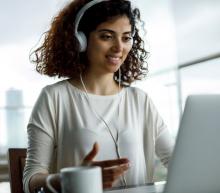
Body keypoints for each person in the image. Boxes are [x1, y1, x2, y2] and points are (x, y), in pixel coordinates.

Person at [23, 0, 174, 193]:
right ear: (81, 41)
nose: (119, 48)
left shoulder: (140, 100)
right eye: (106, 36)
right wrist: (71, 179)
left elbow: (176, 161)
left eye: (126, 38)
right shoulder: (54, 97)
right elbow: (30, 179)